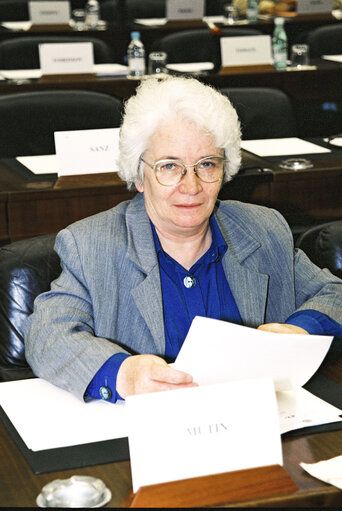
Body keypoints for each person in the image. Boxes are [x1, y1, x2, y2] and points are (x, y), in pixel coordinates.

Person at [23, 76, 342, 403]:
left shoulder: (262, 229)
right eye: (169, 166)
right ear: (139, 175)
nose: (191, 186)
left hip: (257, 426)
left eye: (206, 164)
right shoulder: (91, 245)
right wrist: (123, 374)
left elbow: (334, 294)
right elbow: (47, 336)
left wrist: (301, 331)